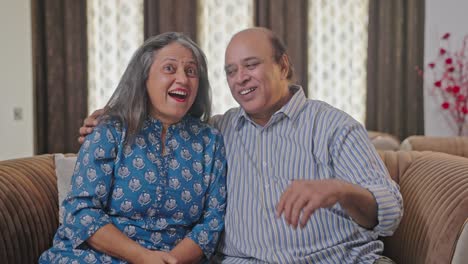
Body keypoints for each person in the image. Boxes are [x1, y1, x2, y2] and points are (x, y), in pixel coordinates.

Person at [79, 28, 403, 263]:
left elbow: (390, 213)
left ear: (283, 66)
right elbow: (166, 119)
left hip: (336, 259)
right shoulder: (221, 130)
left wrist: (340, 190)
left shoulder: (334, 126)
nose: (240, 78)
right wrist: (115, 116)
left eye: (251, 65)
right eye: (231, 71)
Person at [41, 32, 227, 264]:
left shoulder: (210, 141)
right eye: (170, 69)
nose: (183, 79)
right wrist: (142, 257)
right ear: (144, 77)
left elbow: (212, 221)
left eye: (191, 71)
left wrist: (168, 262)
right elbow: (82, 210)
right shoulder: (110, 129)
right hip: (97, 256)